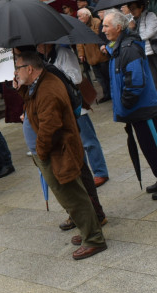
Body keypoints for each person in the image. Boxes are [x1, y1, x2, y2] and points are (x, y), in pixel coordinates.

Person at [13, 50, 107, 260]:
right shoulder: (39, 84)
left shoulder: (48, 88)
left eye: (18, 68)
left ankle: (94, 239)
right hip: (51, 151)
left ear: (29, 68)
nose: (16, 72)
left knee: (72, 195)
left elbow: (50, 126)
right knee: (71, 194)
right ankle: (87, 231)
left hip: (57, 152)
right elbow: (32, 105)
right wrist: (20, 89)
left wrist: (42, 152)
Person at [102, 10, 157, 200]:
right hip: (136, 110)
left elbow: (135, 81)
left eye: (106, 26)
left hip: (142, 109)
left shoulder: (129, 48)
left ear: (118, 27)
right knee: (147, 148)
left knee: (155, 147)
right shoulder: (120, 47)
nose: (103, 29)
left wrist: (126, 102)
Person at [36, 43, 110, 189]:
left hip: (75, 104)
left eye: (38, 44)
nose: (37, 47)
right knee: (74, 142)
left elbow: (76, 77)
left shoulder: (64, 53)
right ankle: (84, 175)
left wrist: (54, 76)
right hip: (60, 107)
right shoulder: (41, 57)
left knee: (88, 140)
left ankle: (100, 171)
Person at [77, 8, 110, 103]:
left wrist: (86, 31)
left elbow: (98, 34)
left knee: (107, 75)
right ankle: (106, 93)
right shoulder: (80, 27)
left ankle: (111, 93)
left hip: (100, 54)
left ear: (87, 15)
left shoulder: (97, 22)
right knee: (99, 78)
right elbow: (79, 42)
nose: (79, 19)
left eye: (80, 16)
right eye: (78, 17)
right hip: (90, 56)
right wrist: (81, 54)